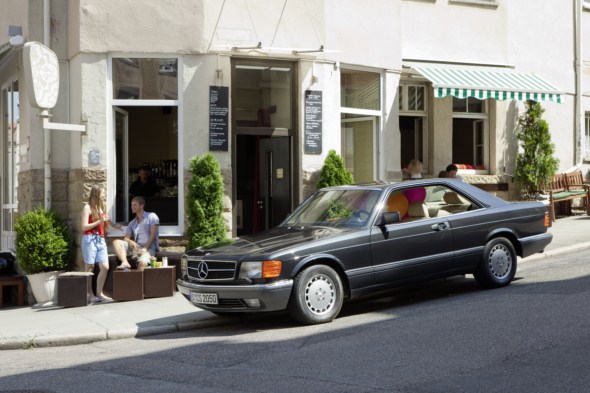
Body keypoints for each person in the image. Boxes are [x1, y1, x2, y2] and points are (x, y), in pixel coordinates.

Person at [80, 186, 112, 302]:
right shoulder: (87, 208)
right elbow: (84, 227)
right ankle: (89, 294)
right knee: (90, 268)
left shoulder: (100, 207)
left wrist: (110, 224)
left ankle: (99, 293)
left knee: (105, 267)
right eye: (103, 193)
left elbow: (103, 224)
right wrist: (100, 221)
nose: (104, 195)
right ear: (97, 194)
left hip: (100, 239)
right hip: (90, 238)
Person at [113, 196, 160, 270]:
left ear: (141, 206)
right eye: (131, 205)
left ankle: (138, 281)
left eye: (135, 205)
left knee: (142, 263)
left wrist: (145, 248)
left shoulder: (152, 216)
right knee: (116, 242)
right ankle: (125, 262)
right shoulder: (132, 222)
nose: (132, 207)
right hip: (137, 247)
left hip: (149, 248)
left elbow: (153, 234)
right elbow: (126, 238)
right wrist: (130, 241)